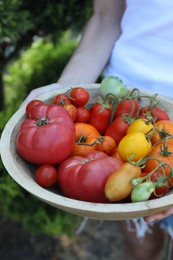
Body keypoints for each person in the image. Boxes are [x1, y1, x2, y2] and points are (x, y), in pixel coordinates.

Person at [22, 0, 173, 259]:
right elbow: (105, 17)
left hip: (154, 125)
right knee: (141, 246)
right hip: (120, 100)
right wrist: (63, 91)